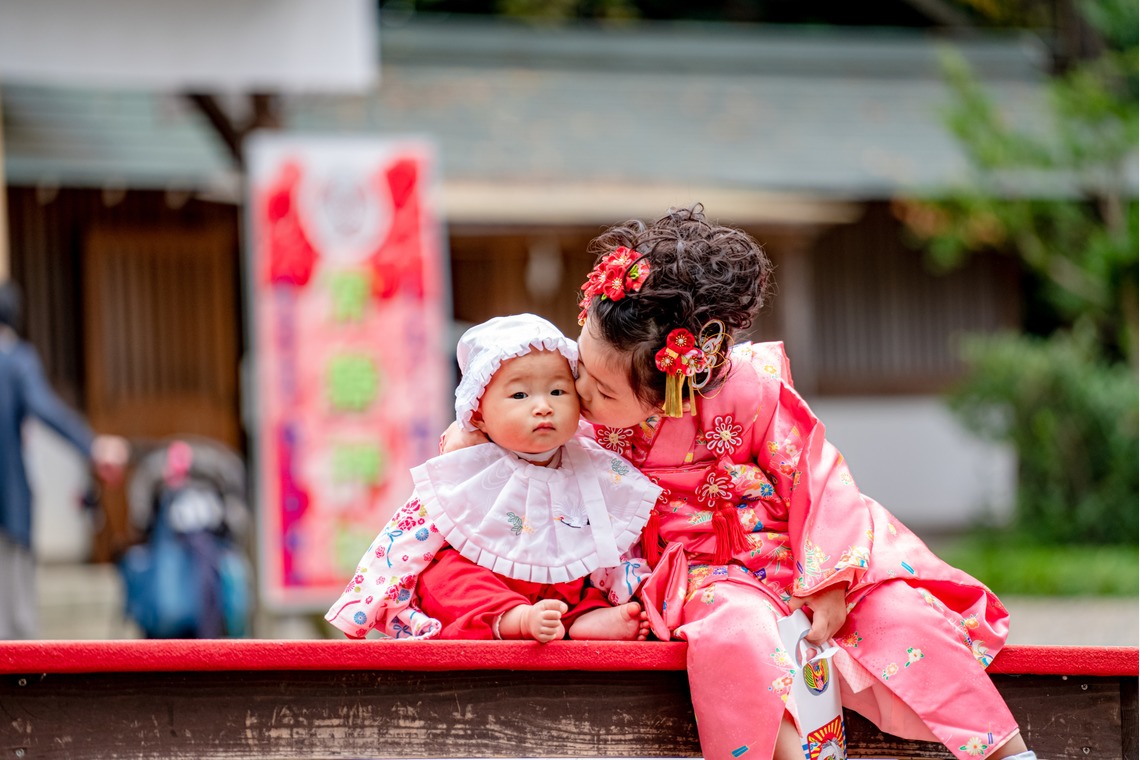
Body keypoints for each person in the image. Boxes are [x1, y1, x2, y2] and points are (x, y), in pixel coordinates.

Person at [444, 207, 1035, 760]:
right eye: (580, 368)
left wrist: (830, 578)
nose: (579, 391)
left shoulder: (750, 389)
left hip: (798, 551)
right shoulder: (583, 422)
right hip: (697, 571)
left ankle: (1007, 752)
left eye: (602, 389)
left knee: (902, 618)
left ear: (670, 391)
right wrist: (472, 434)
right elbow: (518, 426)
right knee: (737, 636)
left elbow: (816, 475)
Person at [326, 313, 659, 642]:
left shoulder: (592, 464)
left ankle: (583, 617)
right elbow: (412, 532)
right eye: (519, 396)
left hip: (559, 590)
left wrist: (627, 586)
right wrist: (369, 595)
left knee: (584, 568)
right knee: (445, 575)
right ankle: (511, 618)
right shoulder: (469, 464)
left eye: (558, 392)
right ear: (479, 414)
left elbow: (609, 535)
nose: (543, 406)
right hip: (487, 582)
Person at [0, 280, 129, 639]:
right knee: (15, 614)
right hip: (7, 500)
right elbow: (44, 407)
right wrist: (93, 446)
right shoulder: (16, 360)